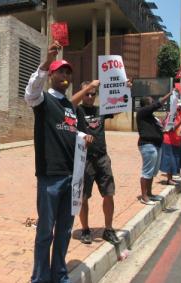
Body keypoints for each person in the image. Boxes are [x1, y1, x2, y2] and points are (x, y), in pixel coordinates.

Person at [25, 41, 93, 283]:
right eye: (60, 71)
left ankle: (59, 275)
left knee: (64, 231)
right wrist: (47, 60)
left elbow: (73, 133)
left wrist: (84, 139)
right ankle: (40, 278)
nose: (65, 75)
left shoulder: (70, 107)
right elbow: (30, 91)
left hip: (71, 177)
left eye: (68, 72)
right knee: (45, 232)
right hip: (50, 176)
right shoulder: (43, 100)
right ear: (52, 75)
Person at [71, 80, 120, 245]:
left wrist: (125, 88)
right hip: (85, 159)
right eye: (87, 93)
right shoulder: (76, 110)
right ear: (82, 93)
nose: (90, 97)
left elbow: (119, 105)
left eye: (93, 94)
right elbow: (70, 120)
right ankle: (85, 229)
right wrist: (82, 136)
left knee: (109, 193)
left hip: (102, 158)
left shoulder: (102, 110)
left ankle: (108, 229)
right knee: (83, 197)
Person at [136, 91, 172, 205]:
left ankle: (150, 193)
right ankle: (144, 196)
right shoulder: (142, 112)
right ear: (147, 104)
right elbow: (157, 104)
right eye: (151, 101)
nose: (153, 103)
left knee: (152, 172)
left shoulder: (151, 117)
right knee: (147, 171)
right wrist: (169, 94)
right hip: (147, 144)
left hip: (156, 145)